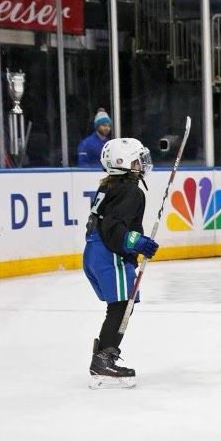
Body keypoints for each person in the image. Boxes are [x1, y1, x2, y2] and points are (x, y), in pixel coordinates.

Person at [83, 138, 158, 389]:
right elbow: (115, 229)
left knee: (120, 305)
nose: (142, 164)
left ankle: (104, 352)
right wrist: (138, 243)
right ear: (123, 163)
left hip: (95, 252)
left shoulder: (110, 186)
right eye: (137, 160)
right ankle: (103, 358)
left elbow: (108, 223)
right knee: (122, 306)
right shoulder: (131, 191)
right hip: (108, 254)